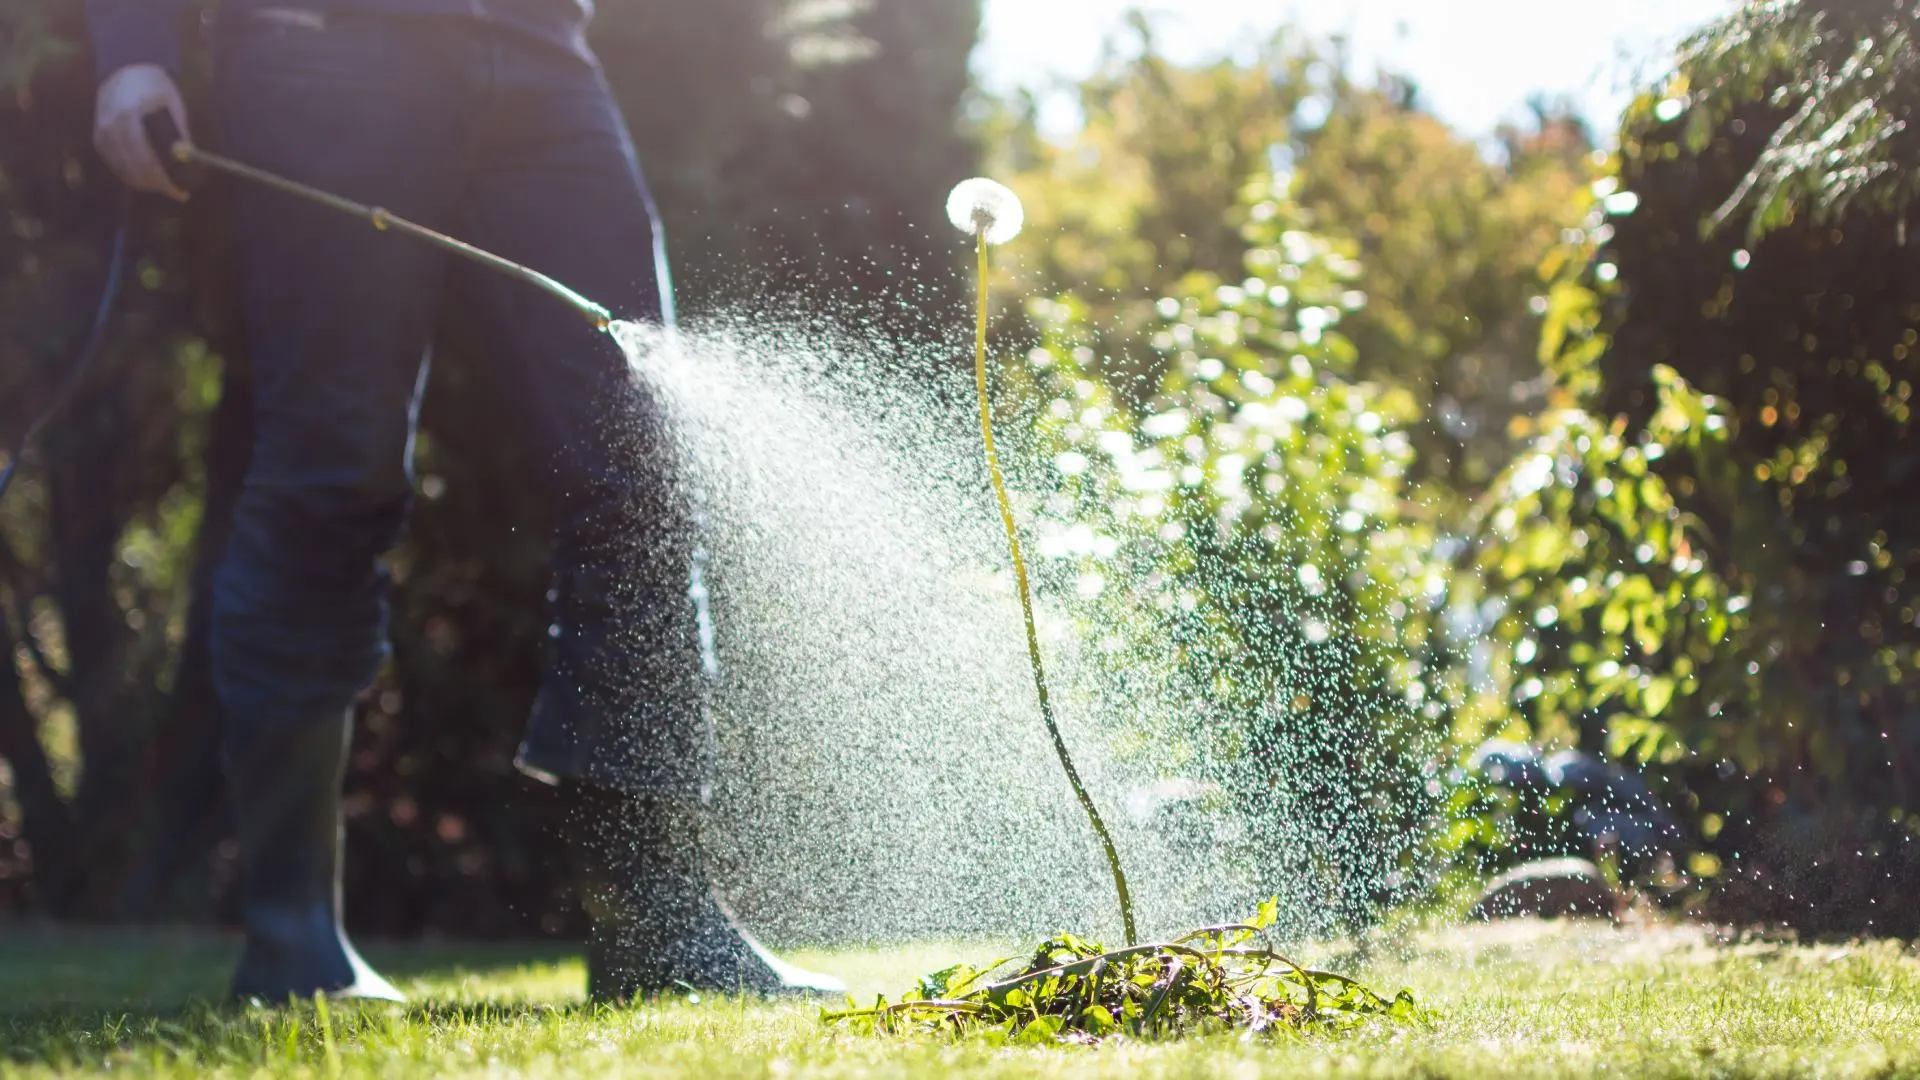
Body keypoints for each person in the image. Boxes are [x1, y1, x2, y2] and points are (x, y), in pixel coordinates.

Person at [84, 0, 841, 1002]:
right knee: (333, 471)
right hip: (322, 47)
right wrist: (132, 50)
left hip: (541, 52)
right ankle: (292, 941)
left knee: (646, 458)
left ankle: (657, 928)